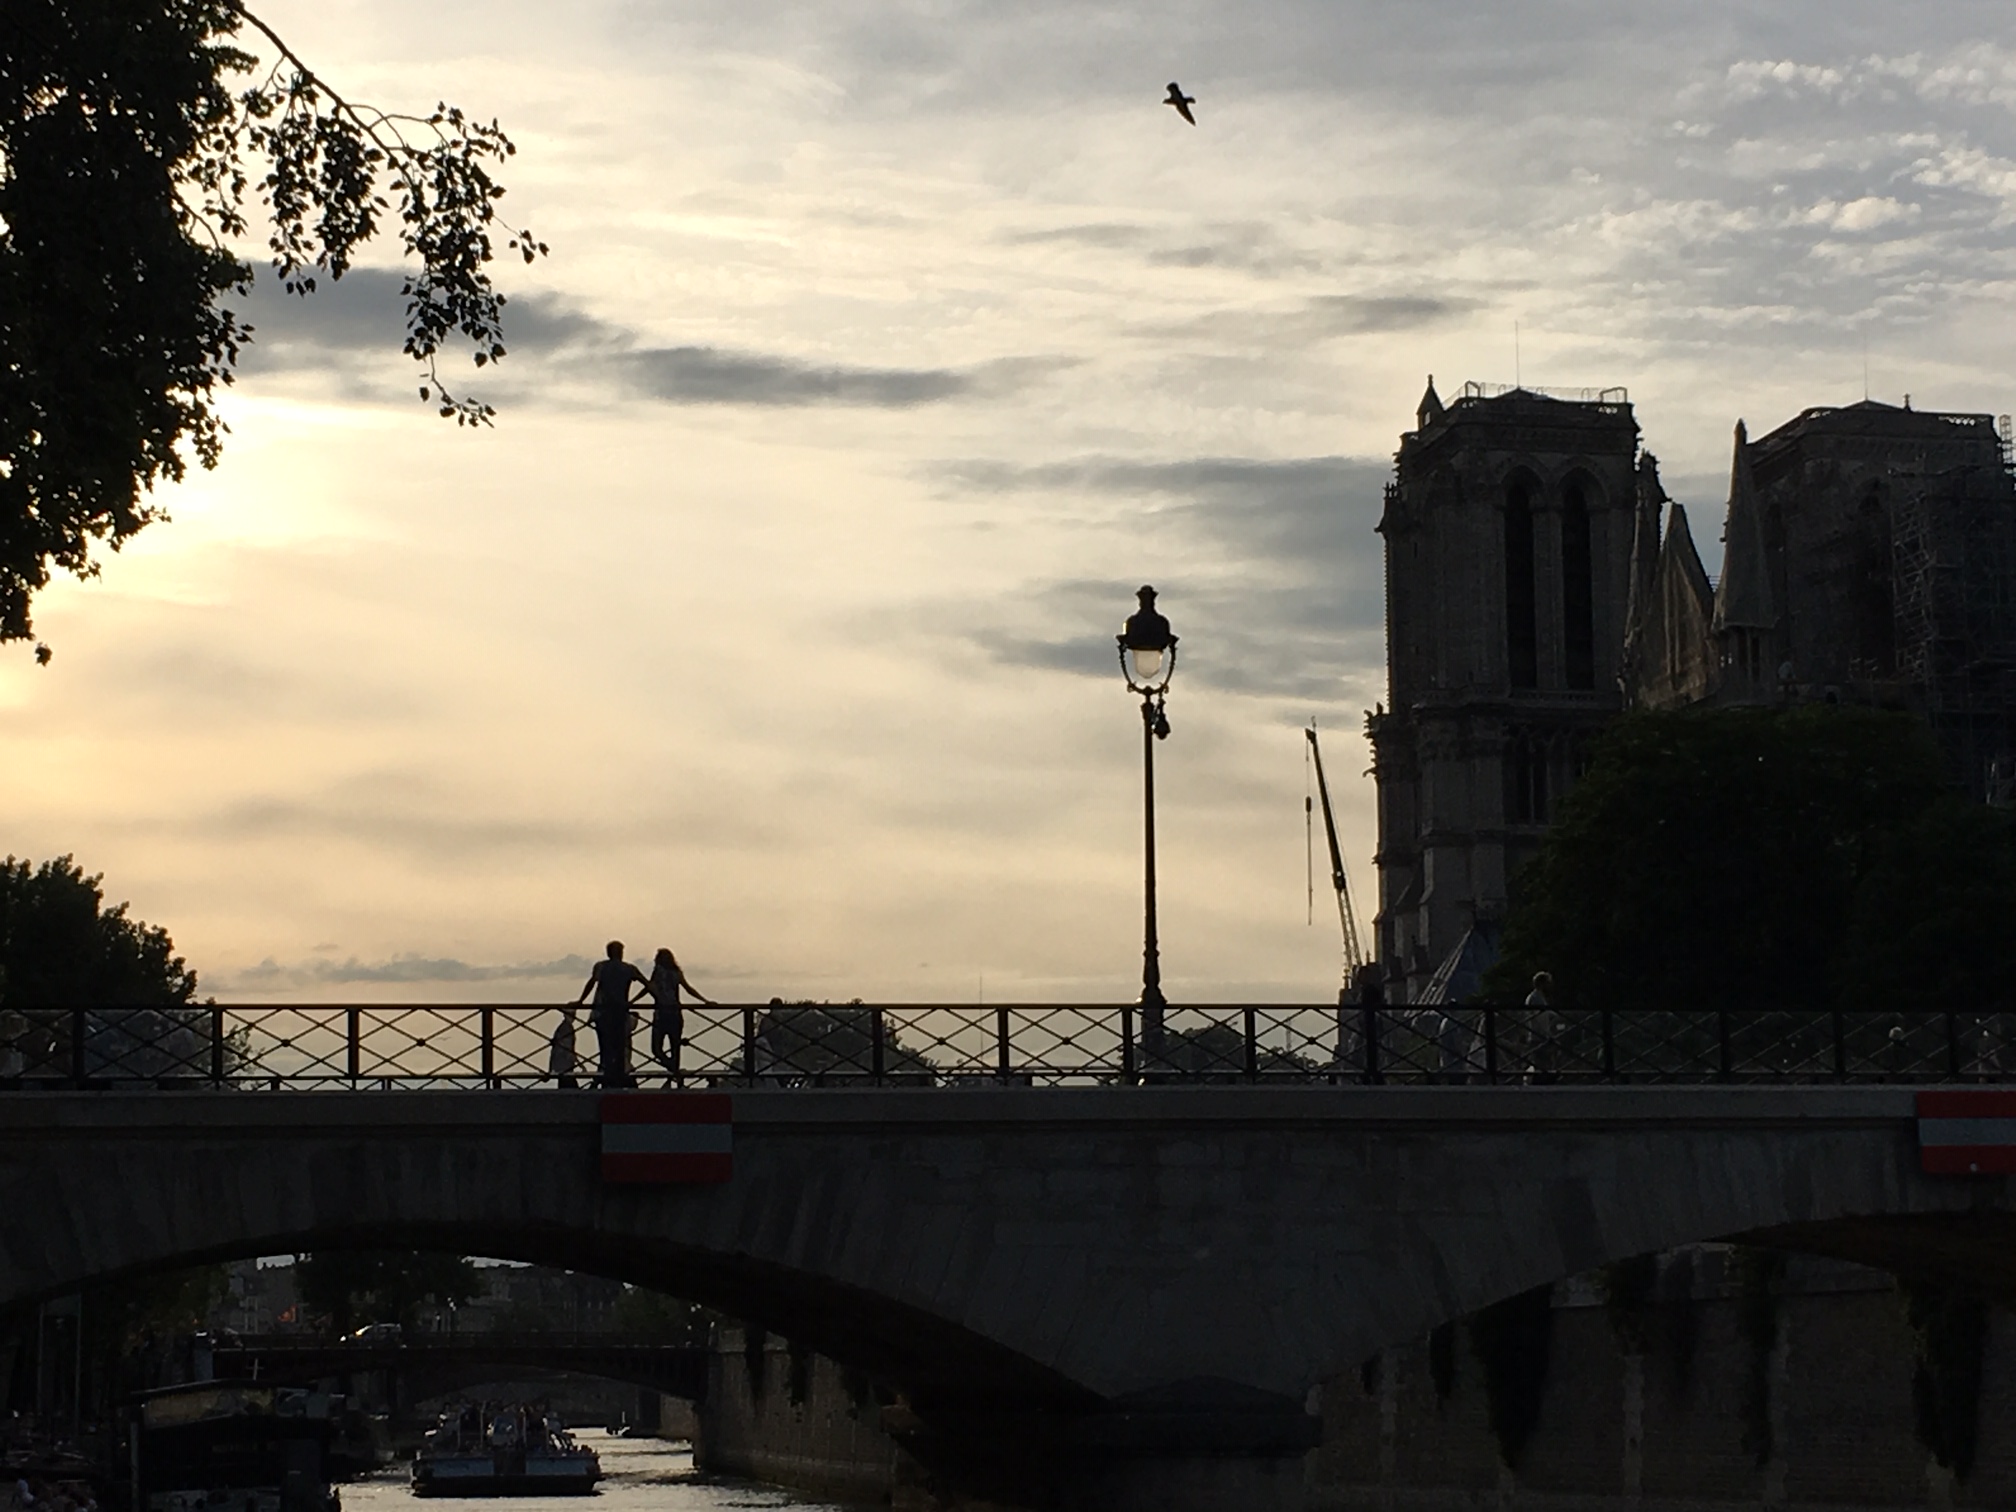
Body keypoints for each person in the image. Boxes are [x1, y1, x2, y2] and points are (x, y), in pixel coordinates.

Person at [578, 941, 647, 1088]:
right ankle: (619, 1078)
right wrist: (634, 1001)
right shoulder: (629, 969)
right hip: (620, 1012)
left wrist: (581, 1001)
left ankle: (606, 1078)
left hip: (604, 1013)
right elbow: (649, 985)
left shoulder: (601, 967)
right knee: (620, 1047)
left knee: (605, 1048)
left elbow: (592, 983)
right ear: (621, 952)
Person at [647, 947, 713, 1083]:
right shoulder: (676, 972)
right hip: (675, 1013)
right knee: (675, 1048)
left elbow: (650, 987)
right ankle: (675, 1073)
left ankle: (673, 1070)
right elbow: (688, 989)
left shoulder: (658, 971)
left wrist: (632, 1001)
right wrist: (705, 1001)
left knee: (656, 1048)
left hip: (661, 1013)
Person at [548, 1007, 579, 1089]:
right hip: (565, 1063)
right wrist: (578, 1062)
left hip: (561, 1063)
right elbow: (567, 1048)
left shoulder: (563, 1027)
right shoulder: (566, 1028)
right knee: (569, 1086)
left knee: (564, 1085)